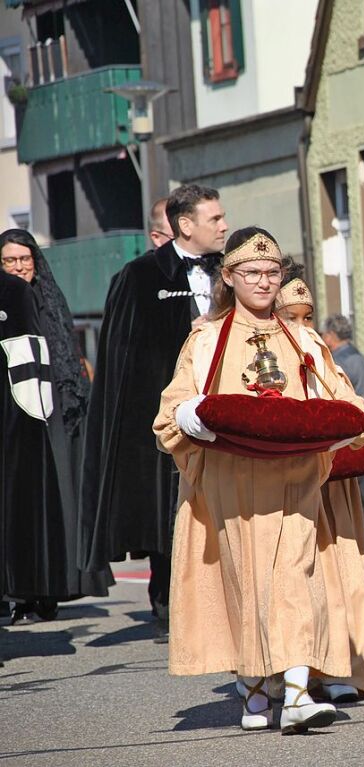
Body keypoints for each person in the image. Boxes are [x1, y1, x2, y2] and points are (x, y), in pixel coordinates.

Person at [154, 227, 364, 733]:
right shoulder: (206, 340)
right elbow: (169, 416)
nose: (263, 281)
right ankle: (255, 686)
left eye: (272, 272)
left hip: (293, 478)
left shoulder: (303, 339)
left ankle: (297, 691)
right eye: (251, 272)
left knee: (295, 577)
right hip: (231, 484)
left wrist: (344, 432)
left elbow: (346, 404)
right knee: (244, 582)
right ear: (228, 277)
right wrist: (191, 415)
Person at [79, 184, 227, 640]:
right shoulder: (139, 276)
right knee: (169, 511)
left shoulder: (237, 270)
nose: (224, 226)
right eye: (215, 219)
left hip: (228, 410)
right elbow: (120, 357)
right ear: (186, 225)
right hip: (167, 415)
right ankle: (168, 599)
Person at [275, 272, 364, 702]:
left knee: (344, 578)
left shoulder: (324, 355)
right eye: (291, 317)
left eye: (308, 317)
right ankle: (294, 674)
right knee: (304, 582)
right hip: (290, 484)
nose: (302, 327)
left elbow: (352, 403)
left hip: (333, 485)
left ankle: (344, 668)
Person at [0, 230, 113, 618]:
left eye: (24, 259)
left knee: (59, 503)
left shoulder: (50, 297)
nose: (19, 267)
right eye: (9, 261)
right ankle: (20, 591)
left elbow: (70, 351)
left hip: (59, 411)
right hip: (18, 413)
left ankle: (51, 590)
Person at [322, 313, 364, 550]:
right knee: (361, 488)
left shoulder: (341, 362)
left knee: (353, 489)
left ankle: (357, 535)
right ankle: (363, 534)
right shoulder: (361, 358)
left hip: (353, 432)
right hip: (363, 429)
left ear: (332, 336)